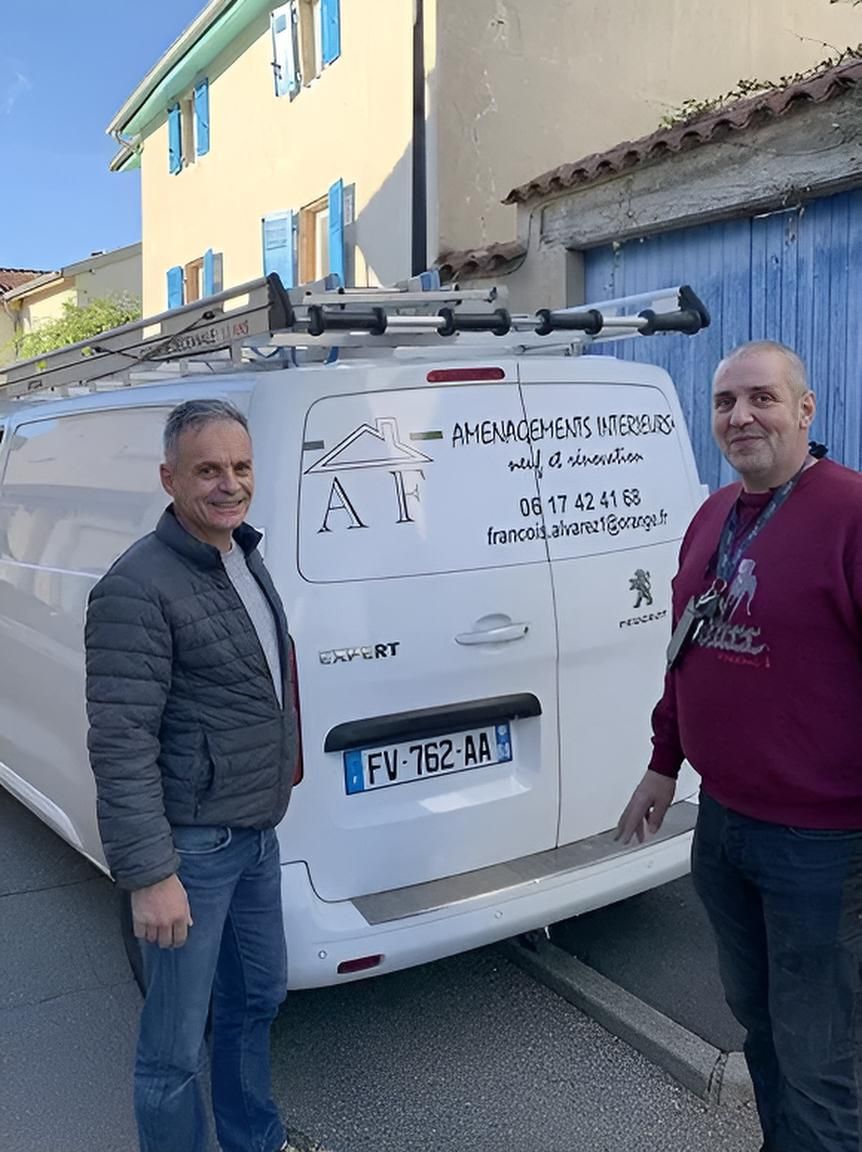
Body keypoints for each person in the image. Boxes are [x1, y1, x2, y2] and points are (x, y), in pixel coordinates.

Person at [617, 341, 862, 1152]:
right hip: (723, 828)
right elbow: (687, 650)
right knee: (759, 1027)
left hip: (822, 845)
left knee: (821, 1052)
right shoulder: (712, 516)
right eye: (725, 402)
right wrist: (663, 763)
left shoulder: (850, 515)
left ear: (805, 410)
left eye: (761, 398)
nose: (741, 416)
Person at [85, 398, 299, 1152]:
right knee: (174, 1047)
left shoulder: (241, 553)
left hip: (254, 836)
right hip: (193, 851)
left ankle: (255, 1141)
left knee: (257, 1001)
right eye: (208, 470)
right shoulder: (135, 587)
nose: (229, 484)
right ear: (169, 478)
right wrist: (151, 874)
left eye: (240, 468)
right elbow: (121, 740)